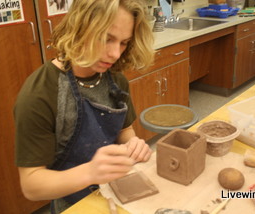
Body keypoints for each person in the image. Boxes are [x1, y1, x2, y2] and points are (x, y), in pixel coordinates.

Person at [14, 0, 154, 213]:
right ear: (80, 28)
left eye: (124, 42)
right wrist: (90, 172)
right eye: (106, 39)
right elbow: (31, 185)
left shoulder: (116, 80)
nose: (115, 53)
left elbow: (124, 131)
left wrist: (133, 144)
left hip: (115, 192)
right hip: (72, 204)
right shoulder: (40, 93)